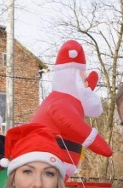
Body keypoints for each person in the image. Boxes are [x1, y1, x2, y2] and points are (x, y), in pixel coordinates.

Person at [32, 39, 112, 174]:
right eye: (82, 77)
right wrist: (96, 142)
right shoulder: (60, 102)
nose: (84, 82)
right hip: (47, 162)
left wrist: (88, 89)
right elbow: (72, 124)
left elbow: (84, 96)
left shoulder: (72, 101)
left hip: (60, 166)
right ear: (73, 77)